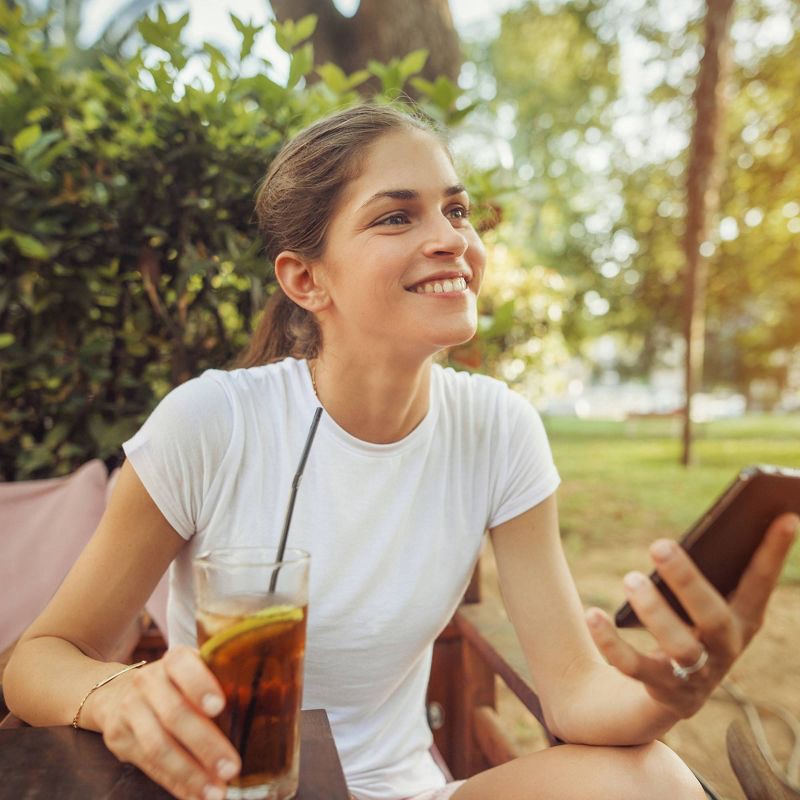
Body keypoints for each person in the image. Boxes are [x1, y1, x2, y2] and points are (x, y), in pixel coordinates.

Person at [4, 103, 797, 800]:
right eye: (397, 216)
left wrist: (675, 692)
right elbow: (41, 657)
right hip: (232, 787)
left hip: (407, 792)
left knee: (654, 779)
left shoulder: (499, 428)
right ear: (305, 279)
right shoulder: (211, 423)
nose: (450, 238)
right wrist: (114, 695)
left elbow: (576, 696)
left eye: (456, 211)